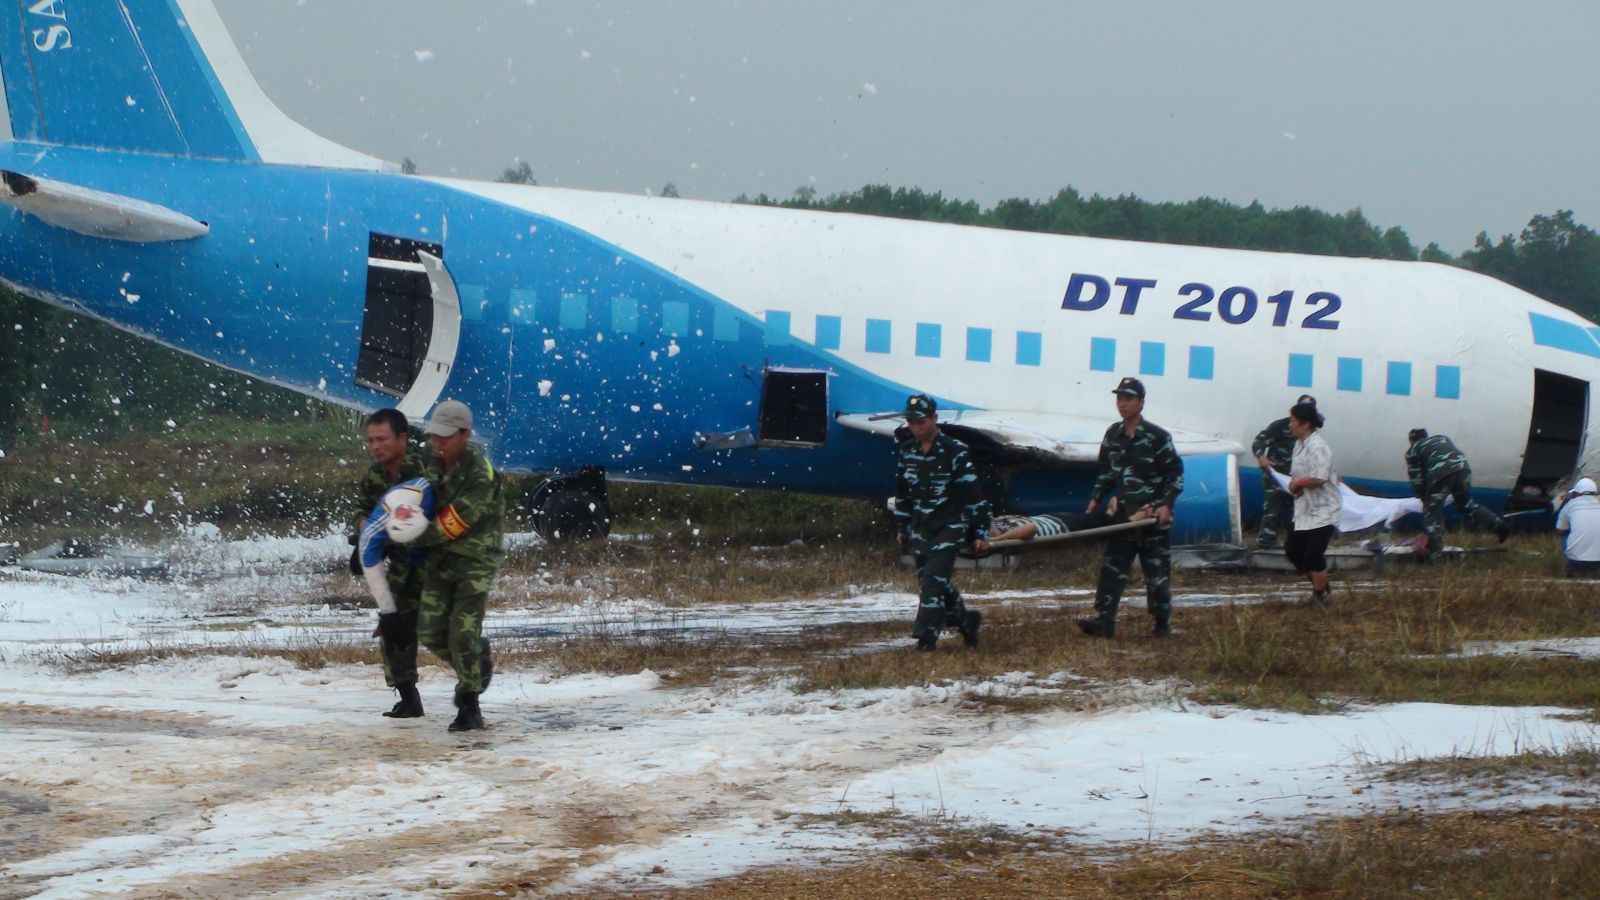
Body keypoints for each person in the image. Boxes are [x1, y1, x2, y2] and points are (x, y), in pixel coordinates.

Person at [398, 400, 505, 732]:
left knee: (461, 633)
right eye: (434, 436)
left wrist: (404, 536)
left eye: (445, 437)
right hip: (440, 560)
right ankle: (476, 660)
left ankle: (469, 706)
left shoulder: (480, 475)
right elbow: (401, 489)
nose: (438, 443)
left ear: (466, 435)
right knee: (430, 630)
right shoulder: (428, 461)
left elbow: (450, 525)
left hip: (474, 561)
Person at [1079, 377, 1185, 638]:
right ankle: (1104, 620)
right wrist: (1095, 500)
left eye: (1128, 399)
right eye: (1119, 399)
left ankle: (1161, 623)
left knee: (1156, 572)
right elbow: (1105, 472)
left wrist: (1165, 505)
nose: (1123, 404)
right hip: (1124, 515)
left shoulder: (1157, 437)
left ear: (1141, 402)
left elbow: (1175, 475)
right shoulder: (1113, 435)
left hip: (1151, 515)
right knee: (1113, 566)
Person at [892, 393, 991, 651]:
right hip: (922, 526)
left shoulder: (954, 451)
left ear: (935, 419)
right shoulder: (907, 452)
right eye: (911, 422)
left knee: (932, 582)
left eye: (921, 422)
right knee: (932, 580)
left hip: (951, 525)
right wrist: (902, 527)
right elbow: (903, 493)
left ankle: (926, 638)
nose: (916, 427)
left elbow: (973, 493)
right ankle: (965, 619)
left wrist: (980, 532)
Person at [352, 408, 427, 719]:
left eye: (382, 439)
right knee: (393, 627)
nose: (375, 446)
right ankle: (408, 697)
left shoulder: (426, 471)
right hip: (399, 568)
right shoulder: (374, 476)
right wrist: (364, 534)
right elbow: (361, 510)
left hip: (434, 563)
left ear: (403, 439)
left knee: (453, 632)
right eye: (371, 440)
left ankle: (469, 700)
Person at [1405, 428, 1511, 558]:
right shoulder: (1441, 437)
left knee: (1432, 511)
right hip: (1463, 469)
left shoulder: (1413, 450)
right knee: (1466, 504)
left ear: (1411, 440)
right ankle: (1499, 525)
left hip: (1441, 473)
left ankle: (1434, 551)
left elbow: (1417, 480)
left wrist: (1424, 498)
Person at [1284, 400, 1341, 604]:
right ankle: (1321, 583)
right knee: (1293, 551)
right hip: (1305, 507)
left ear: (1305, 423)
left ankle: (1319, 595)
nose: (1290, 425)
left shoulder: (1318, 446)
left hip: (1324, 508)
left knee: (1313, 554)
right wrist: (1296, 484)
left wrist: (1298, 482)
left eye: (1293, 421)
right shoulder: (1299, 445)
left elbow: (1319, 478)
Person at [1252, 395, 1315, 550]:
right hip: (1275, 474)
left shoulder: (1311, 431)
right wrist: (1261, 457)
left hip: (1294, 477)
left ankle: (1294, 543)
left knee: (1294, 510)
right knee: (1272, 506)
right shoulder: (1281, 426)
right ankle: (1266, 540)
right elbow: (1259, 441)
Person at [1555, 477, 1600, 576]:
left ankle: (1570, 569)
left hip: (1576, 562)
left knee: (1564, 534)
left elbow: (1559, 531)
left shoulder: (1570, 505)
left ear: (1577, 492)